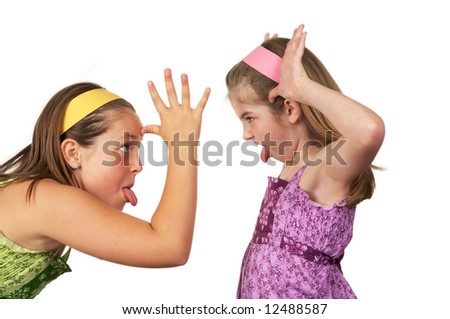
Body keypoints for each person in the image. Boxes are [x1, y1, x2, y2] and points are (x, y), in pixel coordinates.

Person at [0, 69, 210, 298]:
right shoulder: (44, 199)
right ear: (73, 153)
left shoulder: (37, 196)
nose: (138, 165)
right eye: (125, 147)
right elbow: (170, 247)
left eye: (137, 150)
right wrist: (182, 146)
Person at [225, 24, 385, 298]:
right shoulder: (293, 165)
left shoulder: (323, 169)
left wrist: (300, 86)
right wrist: (267, 61)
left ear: (290, 108)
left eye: (249, 118)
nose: (246, 134)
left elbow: (368, 130)